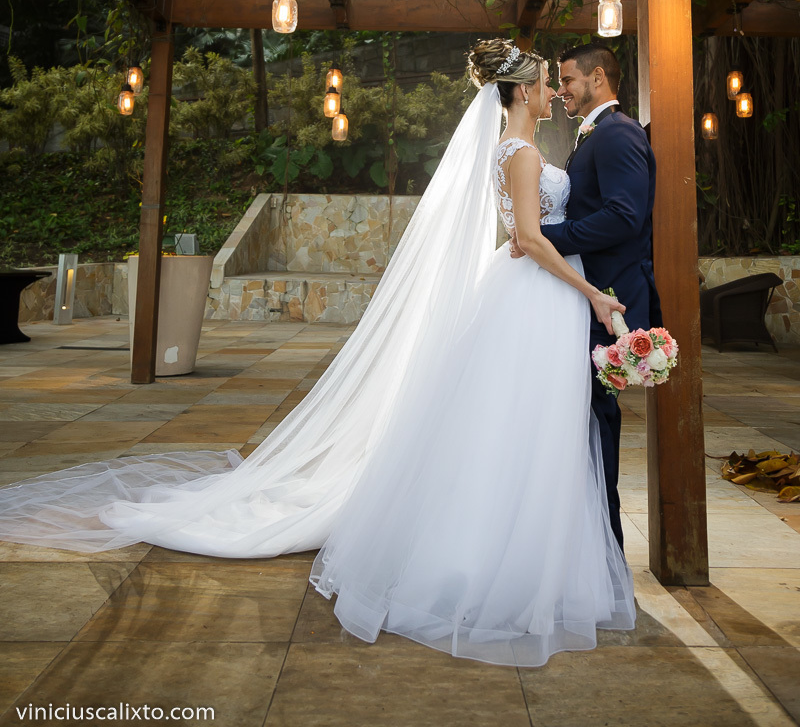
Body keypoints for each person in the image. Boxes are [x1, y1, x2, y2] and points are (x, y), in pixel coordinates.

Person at [0, 40, 635, 667]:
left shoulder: (518, 149)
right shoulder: (520, 153)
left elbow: (530, 234)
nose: (553, 92)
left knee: (522, 422)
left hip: (535, 294)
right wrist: (593, 294)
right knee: (521, 422)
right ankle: (501, 557)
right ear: (522, 91)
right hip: (537, 292)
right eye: (546, 82)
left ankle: (525, 545)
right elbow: (531, 239)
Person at [514, 42, 661, 553]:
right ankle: (586, 543)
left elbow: (624, 216)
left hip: (609, 298)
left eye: (567, 80)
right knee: (582, 418)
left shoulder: (618, 133)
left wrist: (547, 238)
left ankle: (605, 546)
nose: (560, 91)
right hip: (584, 298)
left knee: (599, 420)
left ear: (598, 78)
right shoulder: (595, 134)